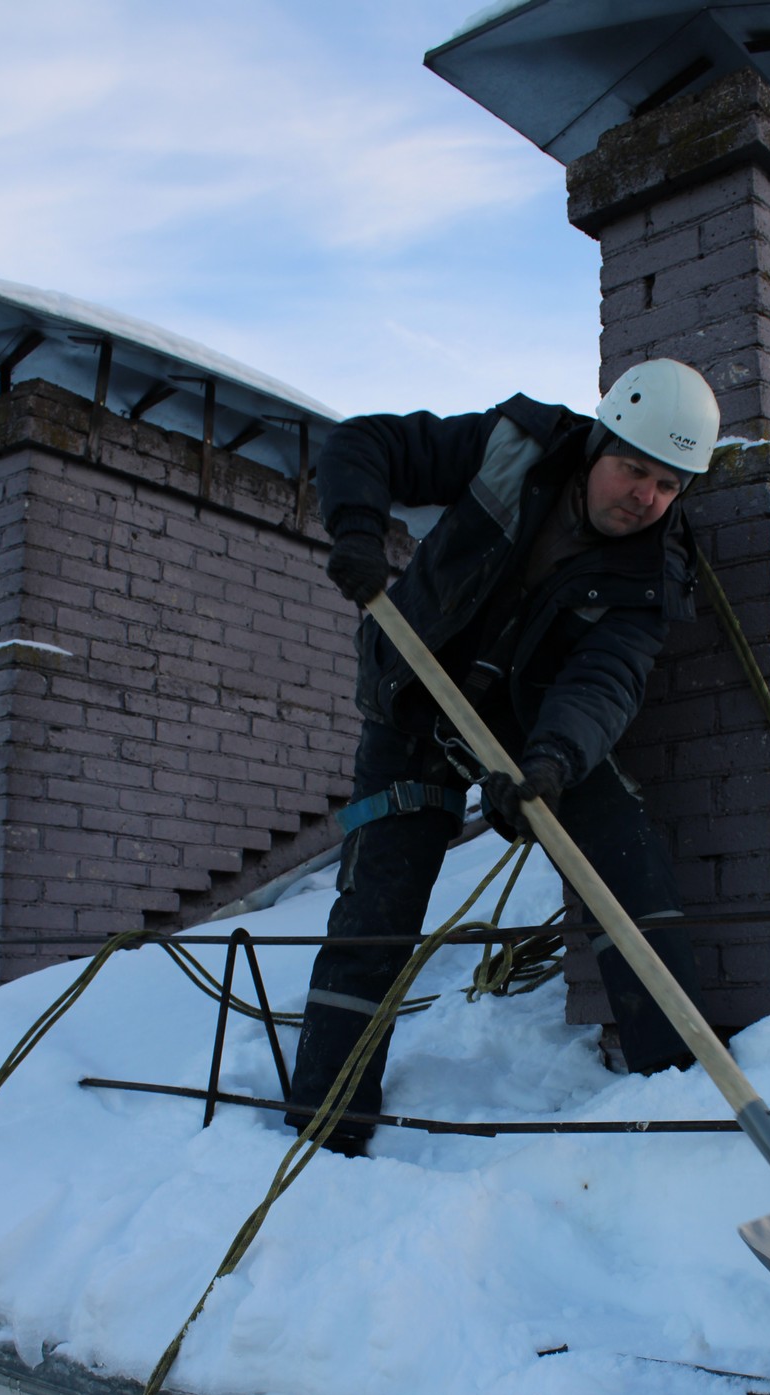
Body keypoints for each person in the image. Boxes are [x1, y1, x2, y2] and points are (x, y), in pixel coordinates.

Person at [285, 359, 721, 1154]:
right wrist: (356, 528)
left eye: (667, 485)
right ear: (598, 442)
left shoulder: (654, 572)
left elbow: (604, 683)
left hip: (532, 734)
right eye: (634, 470)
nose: (645, 498)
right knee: (378, 904)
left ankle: (681, 1099)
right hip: (416, 707)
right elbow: (364, 444)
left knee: (626, 858)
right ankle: (326, 1125)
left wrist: (551, 766)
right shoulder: (514, 444)